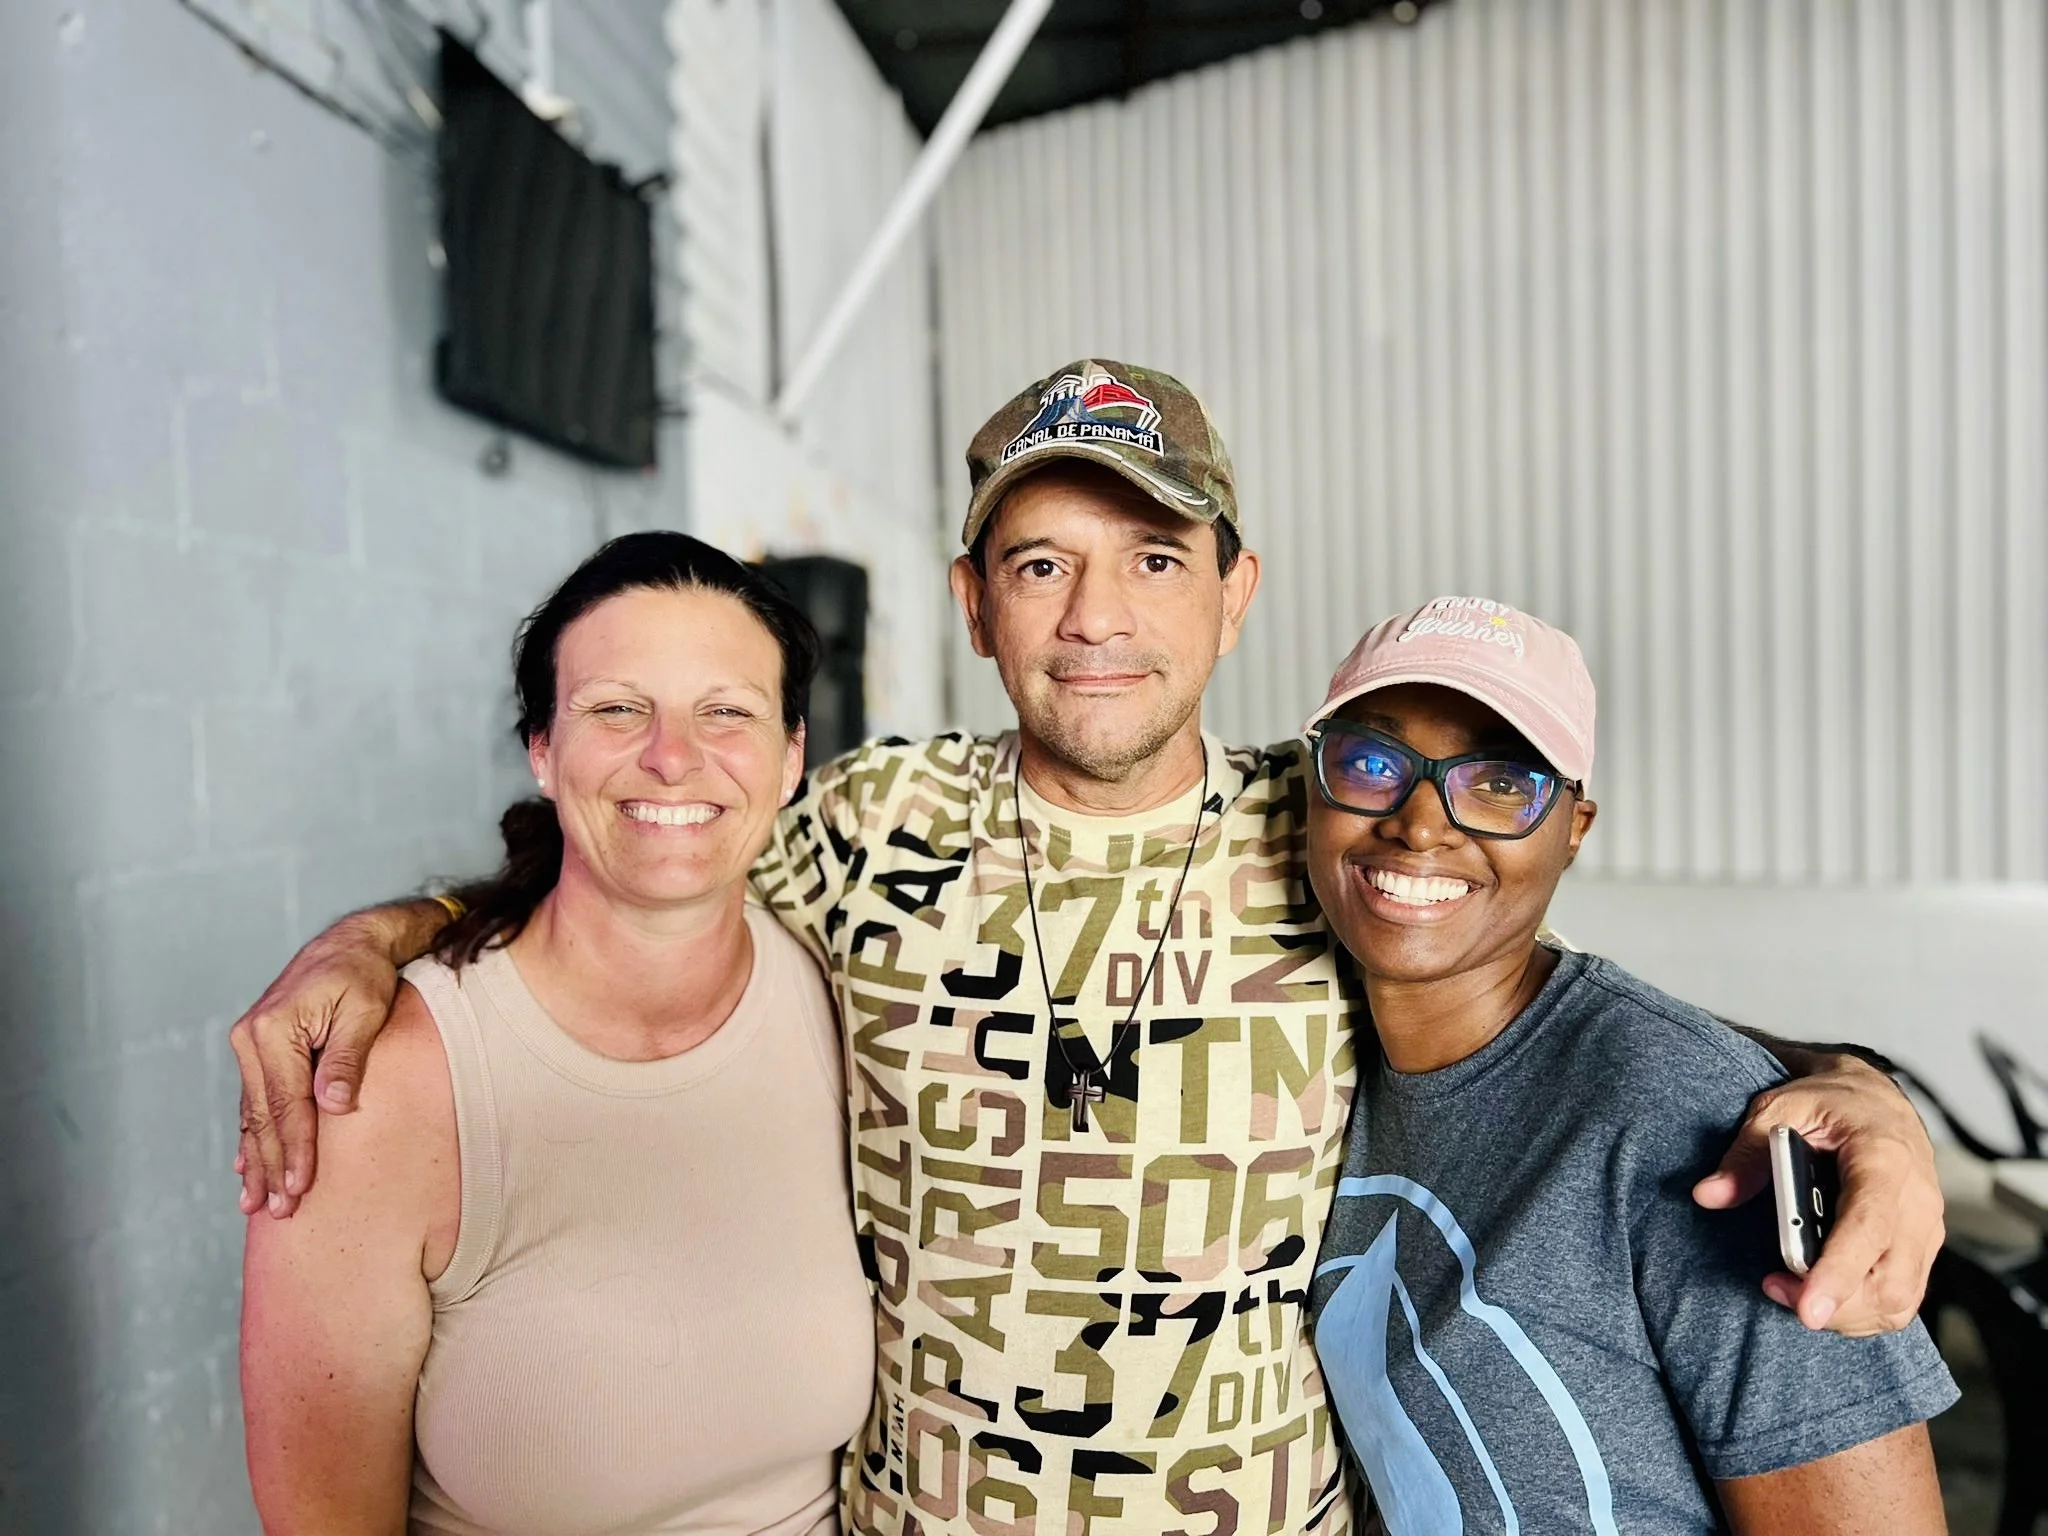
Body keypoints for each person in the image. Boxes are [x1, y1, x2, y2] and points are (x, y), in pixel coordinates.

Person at [229, 362, 1945, 1536]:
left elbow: (1549, 1001)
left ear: (1234, 590)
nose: (1095, 616)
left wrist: (1855, 1092)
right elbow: (626, 859)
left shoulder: (1337, 826)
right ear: (971, 601)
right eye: (1038, 562)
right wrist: (372, 941)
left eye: (1148, 557)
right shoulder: (860, 826)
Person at [240, 534, 876, 1533]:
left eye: (728, 712)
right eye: (617, 708)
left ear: (792, 755)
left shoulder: (840, 980)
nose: (673, 756)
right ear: (542, 748)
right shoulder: (385, 1084)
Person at [1302, 596, 1956, 1534]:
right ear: (1311, 787)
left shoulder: (1700, 1132)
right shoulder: (1315, 1045)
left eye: (1500, 783)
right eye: (1371, 762)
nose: (1418, 823)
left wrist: (1867, 1088)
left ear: (1574, 828)